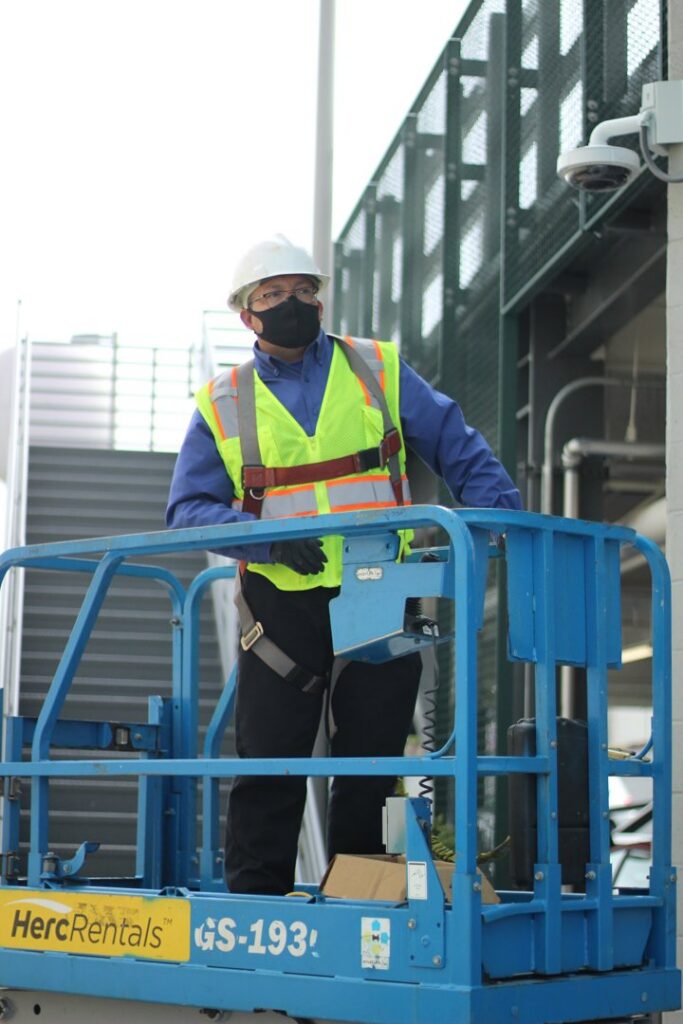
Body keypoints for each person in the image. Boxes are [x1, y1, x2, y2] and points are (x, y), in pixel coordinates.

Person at [167, 234, 522, 896]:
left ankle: (360, 903)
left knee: (372, 761)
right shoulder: (220, 401)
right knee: (270, 764)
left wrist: (501, 517)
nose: (292, 303)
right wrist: (265, 539)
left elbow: (455, 442)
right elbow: (187, 509)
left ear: (320, 296)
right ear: (246, 315)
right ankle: (254, 911)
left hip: (378, 588)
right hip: (280, 603)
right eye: (272, 295)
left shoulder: (375, 368)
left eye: (304, 289)